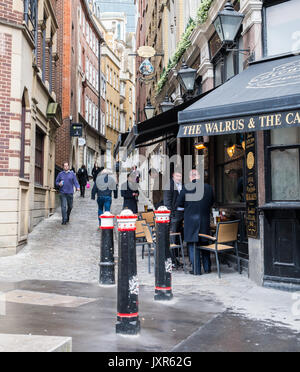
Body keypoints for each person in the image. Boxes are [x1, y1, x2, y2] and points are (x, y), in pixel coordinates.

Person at [177, 169, 214, 275]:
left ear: (190, 177)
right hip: (204, 221)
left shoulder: (186, 188)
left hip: (191, 221)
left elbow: (179, 204)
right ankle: (207, 268)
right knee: (205, 243)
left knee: (192, 245)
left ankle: (196, 270)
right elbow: (211, 202)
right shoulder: (208, 188)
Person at [164, 171, 183, 267]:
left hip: (181, 215)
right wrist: (171, 216)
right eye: (177, 176)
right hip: (174, 216)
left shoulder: (181, 185)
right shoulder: (169, 185)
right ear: (173, 176)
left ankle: (176, 258)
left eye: (180, 176)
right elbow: (167, 202)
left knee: (179, 238)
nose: (179, 178)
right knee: (173, 239)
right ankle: (172, 261)